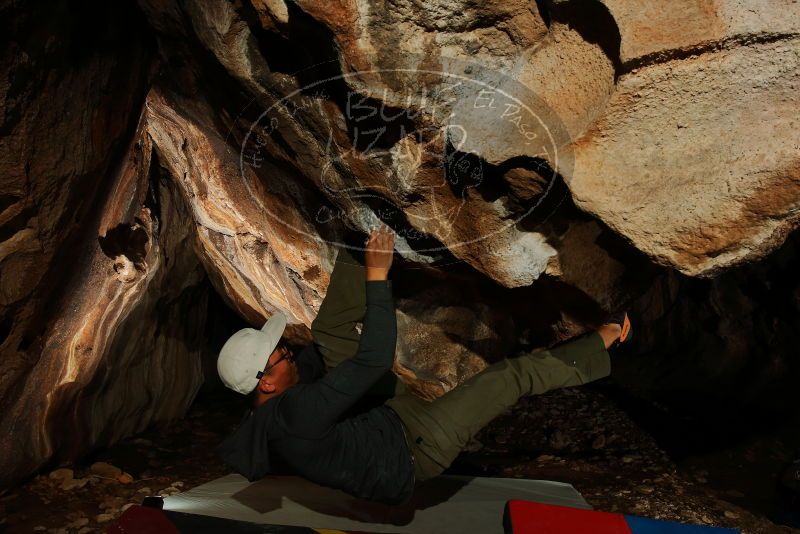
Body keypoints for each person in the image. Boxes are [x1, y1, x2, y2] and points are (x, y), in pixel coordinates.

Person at [216, 224, 632, 504]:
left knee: (327, 332)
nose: (288, 352)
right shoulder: (295, 414)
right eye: (280, 355)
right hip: (416, 451)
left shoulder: (270, 410)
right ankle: (603, 343)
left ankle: (358, 233)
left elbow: (326, 344)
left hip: (383, 419)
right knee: (511, 377)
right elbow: (373, 358)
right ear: (266, 383)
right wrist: (378, 278)